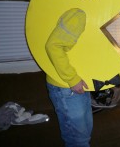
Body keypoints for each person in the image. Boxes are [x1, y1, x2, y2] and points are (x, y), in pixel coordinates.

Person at [45, 8, 93, 147]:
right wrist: (72, 79)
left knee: (84, 136)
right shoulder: (78, 15)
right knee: (78, 141)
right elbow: (53, 46)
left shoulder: (92, 17)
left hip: (76, 84)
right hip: (67, 86)